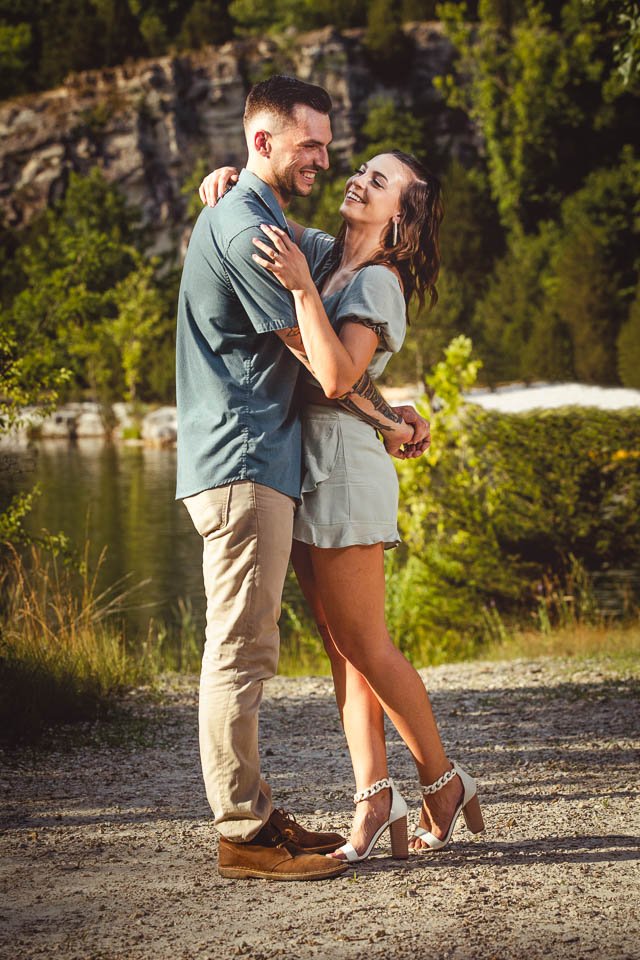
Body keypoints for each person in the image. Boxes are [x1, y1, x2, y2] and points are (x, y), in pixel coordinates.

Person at [199, 147, 485, 863]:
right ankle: (374, 797)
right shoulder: (330, 255)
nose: (357, 179)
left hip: (347, 472)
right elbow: (265, 215)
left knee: (366, 643)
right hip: (305, 464)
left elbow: (336, 376)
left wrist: (301, 290)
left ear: (401, 220)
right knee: (340, 649)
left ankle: (442, 780)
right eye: (360, 169)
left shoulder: (379, 281)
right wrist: (231, 180)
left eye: (378, 181)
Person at [176, 75, 429, 881]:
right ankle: (244, 833)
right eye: (309, 144)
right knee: (241, 652)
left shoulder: (277, 225)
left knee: (270, 647)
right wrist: (392, 422)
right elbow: (326, 367)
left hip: (262, 462)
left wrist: (391, 412)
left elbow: (350, 300)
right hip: (243, 461)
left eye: (328, 144)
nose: (327, 158)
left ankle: (260, 816)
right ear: (264, 141)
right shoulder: (254, 232)